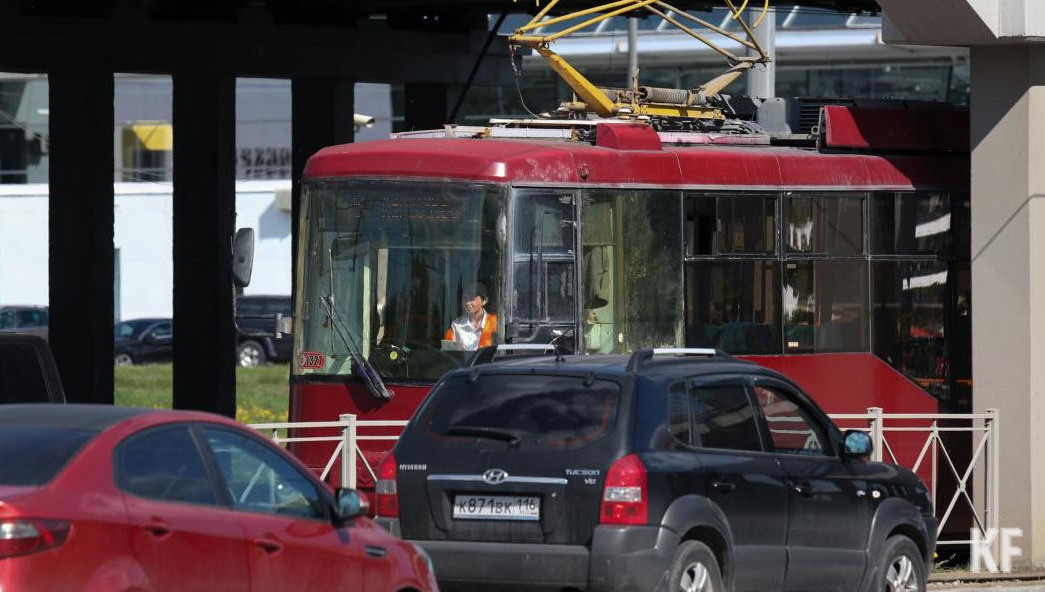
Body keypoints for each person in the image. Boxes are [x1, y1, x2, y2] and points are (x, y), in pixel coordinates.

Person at [443, 283, 497, 351]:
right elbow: (449, 353)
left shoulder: (494, 322)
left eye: (472, 299)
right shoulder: (456, 325)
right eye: (465, 298)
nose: (467, 303)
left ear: (484, 301)